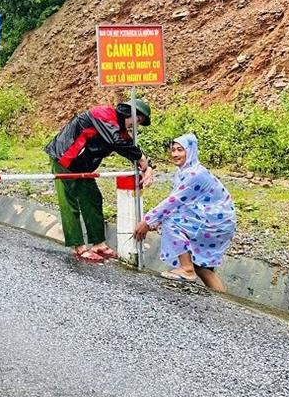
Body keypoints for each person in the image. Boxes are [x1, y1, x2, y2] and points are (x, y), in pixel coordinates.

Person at [46, 99, 155, 264]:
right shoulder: (103, 114)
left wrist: (148, 166)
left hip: (83, 166)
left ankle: (99, 244)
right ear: (129, 112)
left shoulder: (120, 130)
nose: (135, 125)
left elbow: (129, 146)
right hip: (65, 158)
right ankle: (79, 247)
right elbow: (116, 141)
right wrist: (140, 158)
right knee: (70, 203)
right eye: (137, 119)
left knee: (93, 198)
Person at [134, 133, 236, 291]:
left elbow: (173, 201)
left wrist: (147, 221)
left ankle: (187, 270)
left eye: (180, 150)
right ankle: (224, 306)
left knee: (171, 221)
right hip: (209, 218)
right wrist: (156, 220)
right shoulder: (185, 171)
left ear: (191, 151)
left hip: (216, 223)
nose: (175, 154)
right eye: (173, 150)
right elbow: (179, 202)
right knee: (202, 268)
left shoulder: (195, 174)